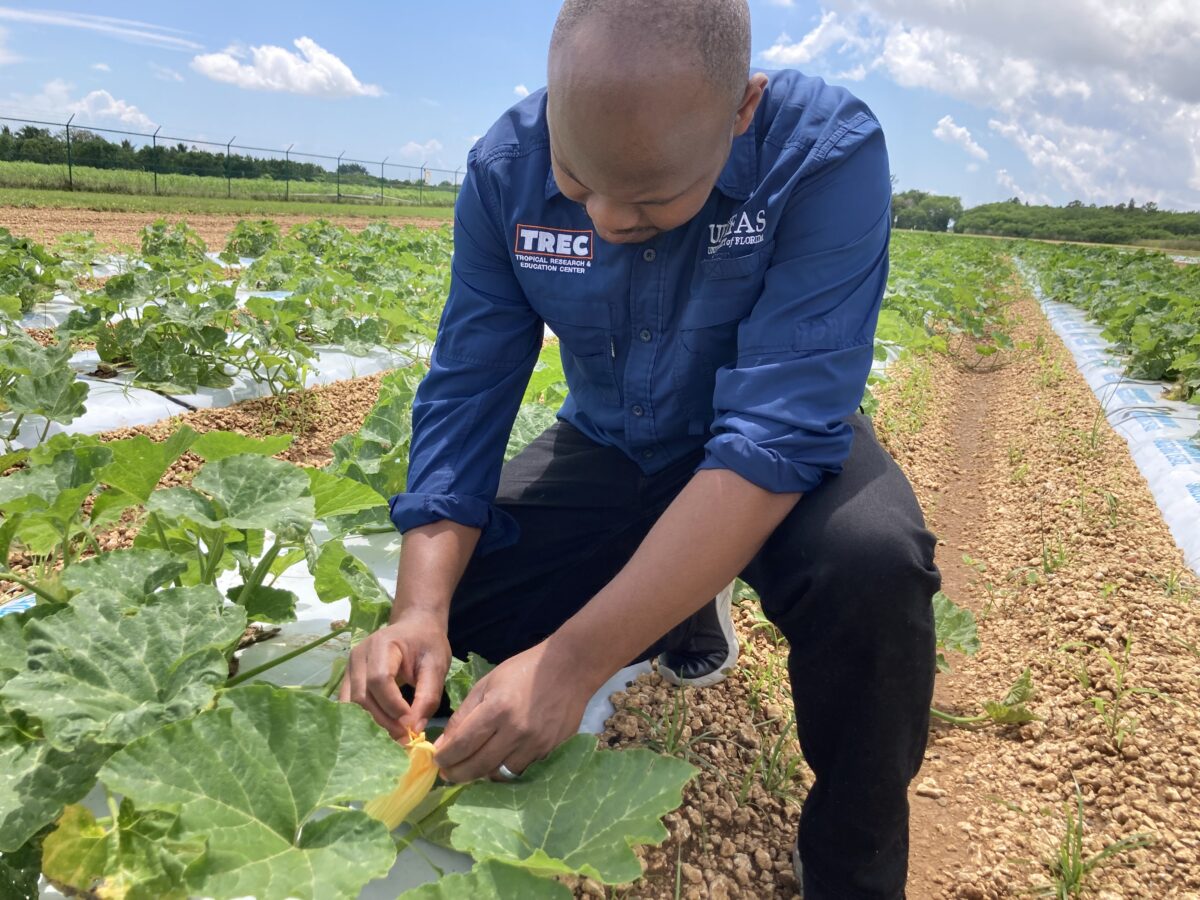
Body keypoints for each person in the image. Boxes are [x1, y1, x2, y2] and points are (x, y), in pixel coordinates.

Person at [340, 0, 941, 896]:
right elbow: (467, 390)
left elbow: (773, 436)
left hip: (776, 457)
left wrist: (575, 663)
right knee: (449, 619)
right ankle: (672, 602)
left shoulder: (825, 152)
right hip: (612, 442)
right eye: (578, 181)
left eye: (654, 196)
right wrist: (419, 612)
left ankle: (854, 867)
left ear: (741, 110)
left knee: (872, 563)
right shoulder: (504, 169)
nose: (609, 220)